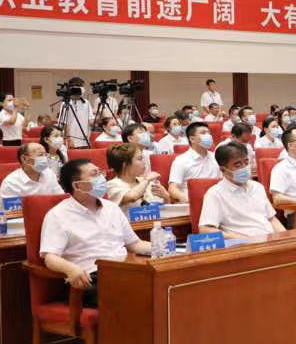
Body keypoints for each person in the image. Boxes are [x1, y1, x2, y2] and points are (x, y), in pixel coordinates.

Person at [40, 159, 152, 302]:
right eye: (94, 174)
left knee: (161, 285)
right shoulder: (58, 215)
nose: (102, 178)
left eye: (100, 172)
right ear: (77, 185)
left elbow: (135, 244)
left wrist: (165, 248)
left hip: (125, 271)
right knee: (140, 296)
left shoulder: (111, 208)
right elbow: (50, 257)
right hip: (91, 278)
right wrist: (71, 269)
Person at [199, 143, 285, 239]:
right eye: (238, 165)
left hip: (269, 240)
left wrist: (286, 237)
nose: (244, 167)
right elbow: (205, 229)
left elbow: (271, 219)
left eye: (246, 162)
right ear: (223, 170)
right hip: (242, 244)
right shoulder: (215, 194)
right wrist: (242, 239)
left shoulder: (258, 187)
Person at [105, 143, 167, 211]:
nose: (144, 162)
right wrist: (147, 180)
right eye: (140, 159)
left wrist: (167, 197)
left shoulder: (145, 181)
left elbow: (163, 208)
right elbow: (132, 196)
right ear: (125, 164)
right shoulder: (112, 185)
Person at [167, 122, 220, 202]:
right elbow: (172, 189)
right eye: (203, 133)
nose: (208, 136)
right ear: (192, 139)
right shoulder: (181, 160)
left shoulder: (216, 157)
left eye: (209, 133)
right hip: (191, 202)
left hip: (215, 201)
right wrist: (191, 201)